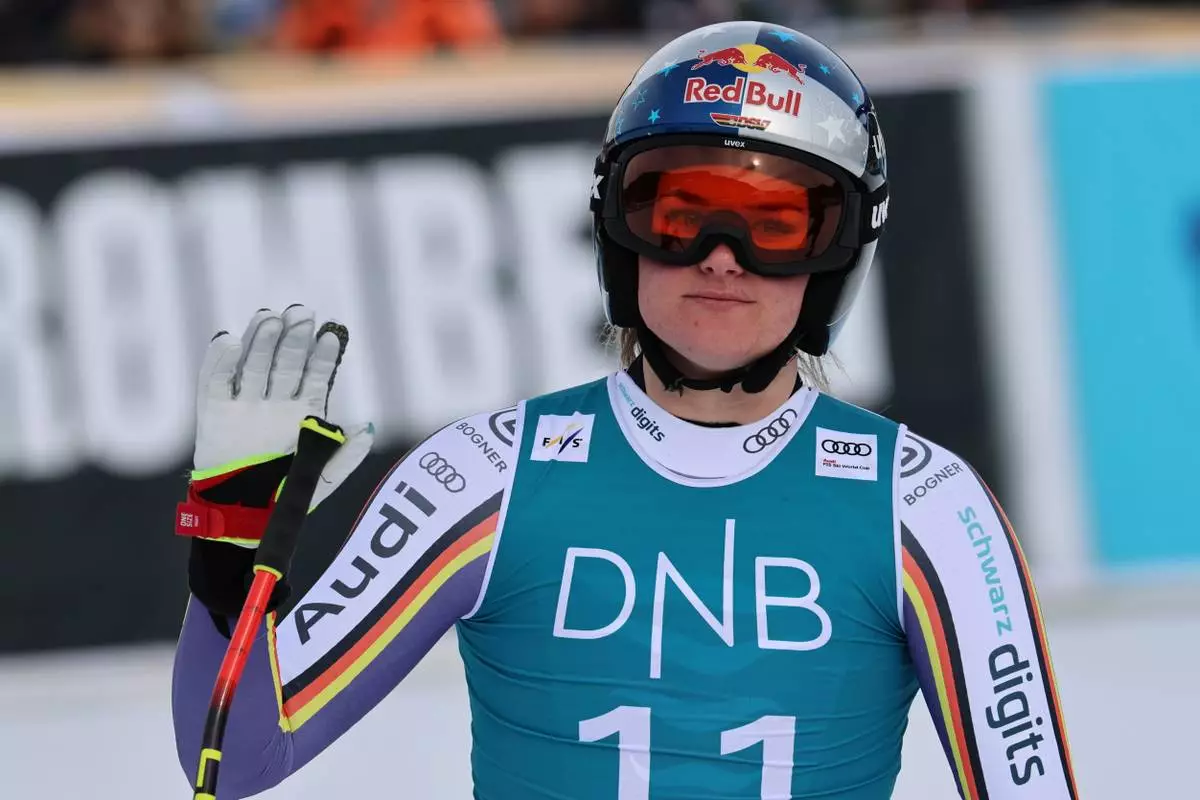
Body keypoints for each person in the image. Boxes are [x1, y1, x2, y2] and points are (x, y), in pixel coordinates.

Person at [172, 20, 1078, 799]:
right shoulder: (481, 478)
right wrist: (229, 533)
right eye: (680, 212)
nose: (721, 257)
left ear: (835, 258)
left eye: (774, 224)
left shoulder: (924, 506)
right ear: (618, 231)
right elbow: (239, 759)